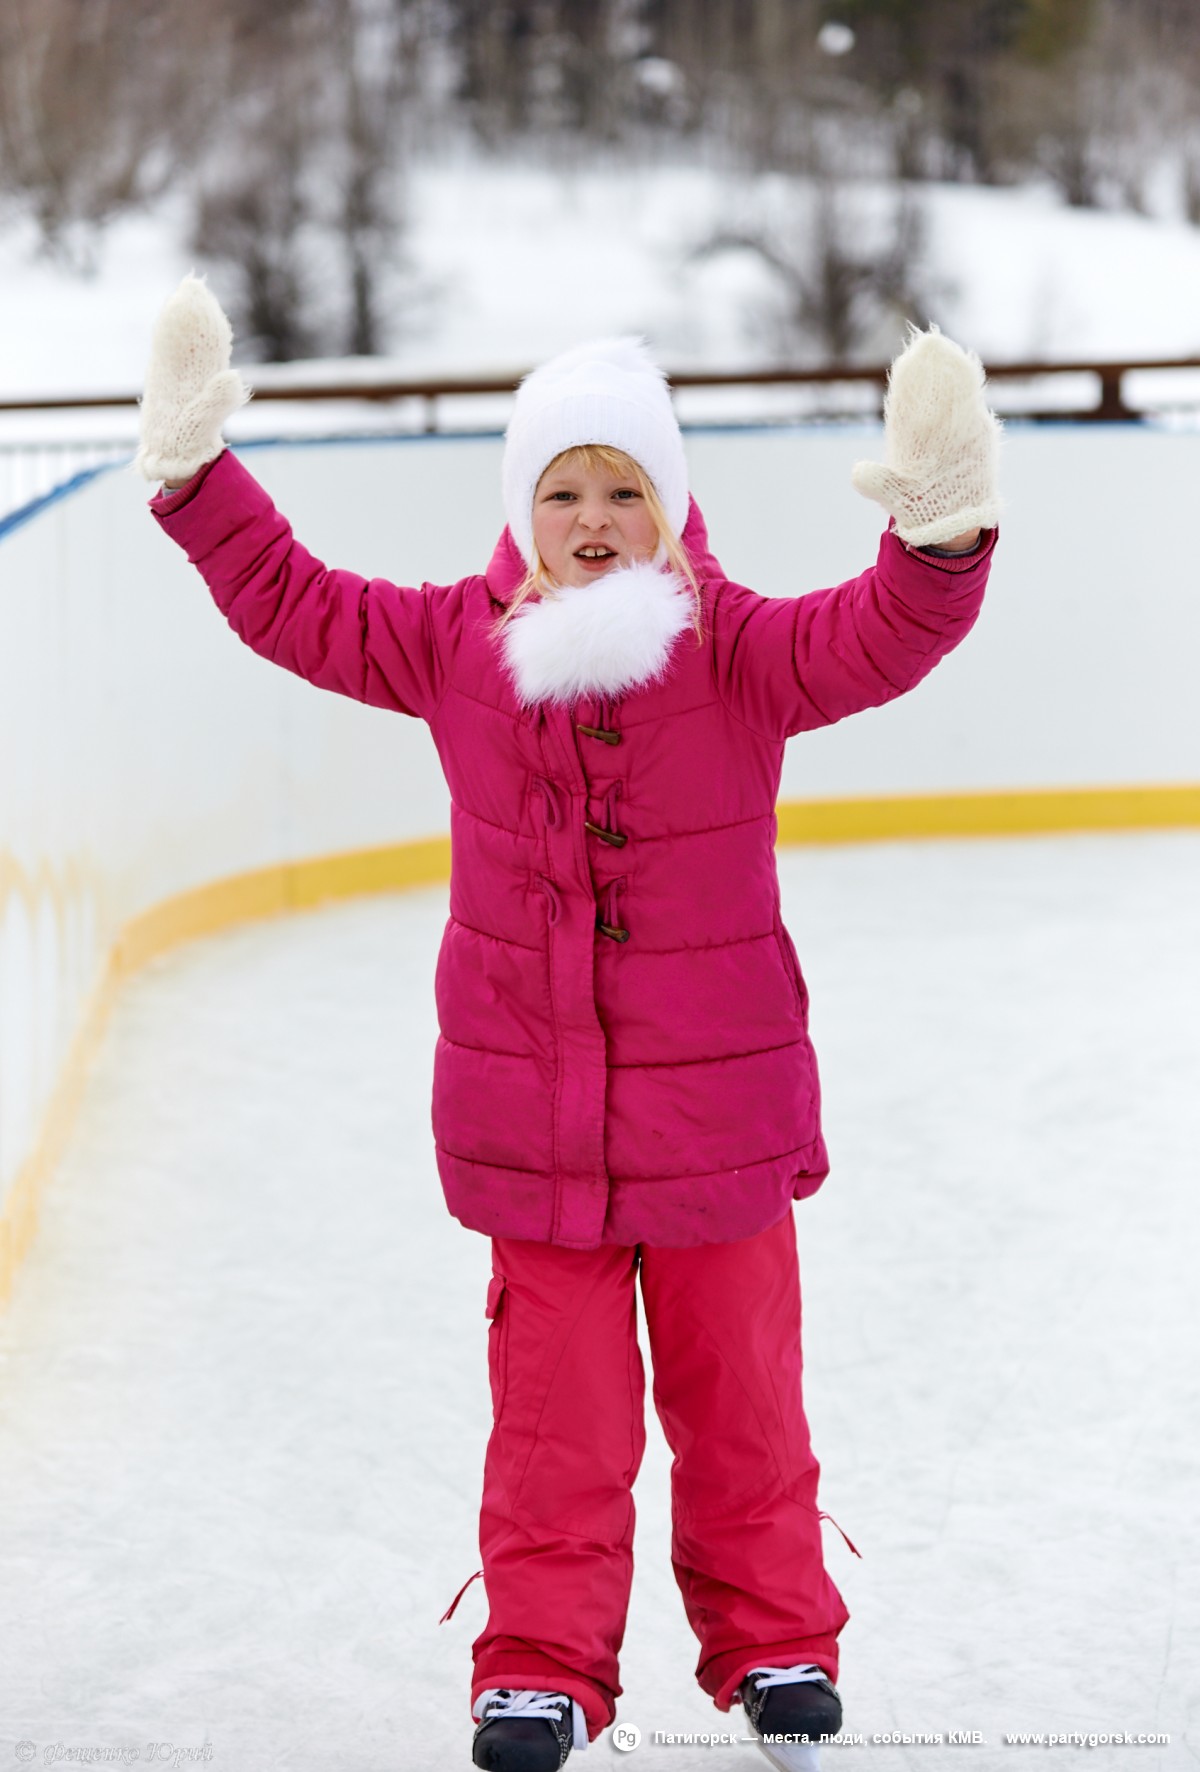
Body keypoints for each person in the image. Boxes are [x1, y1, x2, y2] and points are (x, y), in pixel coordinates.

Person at [135, 278, 1001, 1772]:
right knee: (557, 1425)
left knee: (743, 1403)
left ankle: (779, 1643)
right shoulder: (456, 649)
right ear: (520, 510)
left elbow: (876, 638)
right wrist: (198, 478)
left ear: (670, 503)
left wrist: (938, 534)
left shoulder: (734, 652)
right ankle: (537, 1667)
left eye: (624, 489)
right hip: (540, 1132)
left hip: (718, 1125)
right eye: (563, 491)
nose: (593, 518)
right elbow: (291, 601)